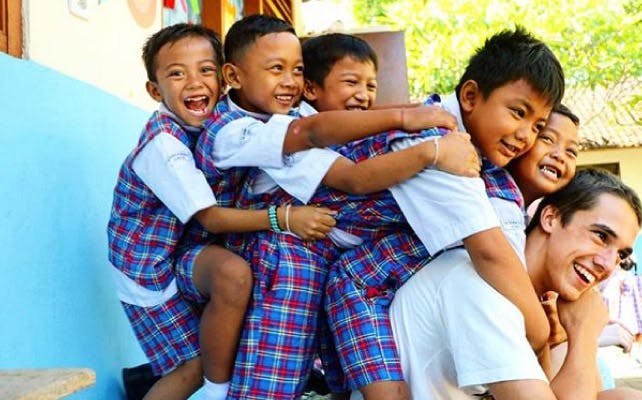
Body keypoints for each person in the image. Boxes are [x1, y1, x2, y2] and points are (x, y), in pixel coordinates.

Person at [193, 15, 475, 400]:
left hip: (289, 245)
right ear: (234, 75)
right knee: (273, 377)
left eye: (296, 69)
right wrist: (429, 146)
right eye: (277, 69)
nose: (289, 81)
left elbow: (342, 122)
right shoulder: (238, 131)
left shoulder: (285, 116)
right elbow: (350, 173)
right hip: (260, 250)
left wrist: (426, 112)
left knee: (304, 367)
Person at [313, 28, 565, 400]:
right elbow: (490, 252)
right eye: (518, 112)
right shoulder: (437, 142)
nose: (525, 135)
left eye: (538, 126)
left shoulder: (489, 165)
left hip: (393, 272)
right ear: (470, 96)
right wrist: (539, 332)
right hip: (359, 284)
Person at [107, 23, 337, 400]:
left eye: (205, 69)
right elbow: (210, 217)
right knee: (192, 365)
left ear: (226, 76)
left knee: (222, 325)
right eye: (177, 73)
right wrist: (285, 219)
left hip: (189, 252)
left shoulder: (224, 122)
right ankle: (217, 392)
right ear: (154, 90)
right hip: (150, 270)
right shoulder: (164, 145)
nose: (195, 82)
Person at [389, 169, 642, 399]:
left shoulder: (538, 303)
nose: (608, 264)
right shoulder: (482, 284)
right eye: (600, 236)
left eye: (621, 254)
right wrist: (584, 334)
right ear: (550, 219)